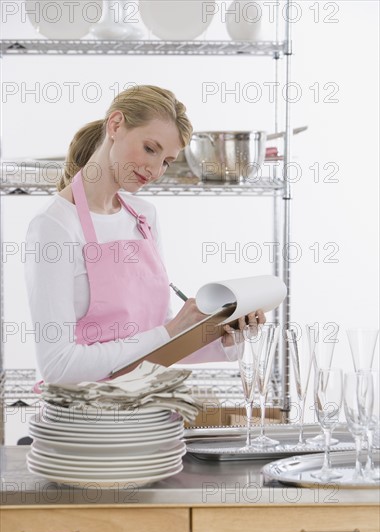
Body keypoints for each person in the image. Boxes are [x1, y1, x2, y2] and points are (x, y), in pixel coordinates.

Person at [25, 85, 265, 384]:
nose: (154, 170)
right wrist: (170, 330)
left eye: (166, 161)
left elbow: (155, 340)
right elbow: (59, 367)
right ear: (115, 126)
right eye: (150, 148)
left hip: (146, 409)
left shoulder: (143, 216)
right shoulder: (55, 226)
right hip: (83, 420)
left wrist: (222, 337)